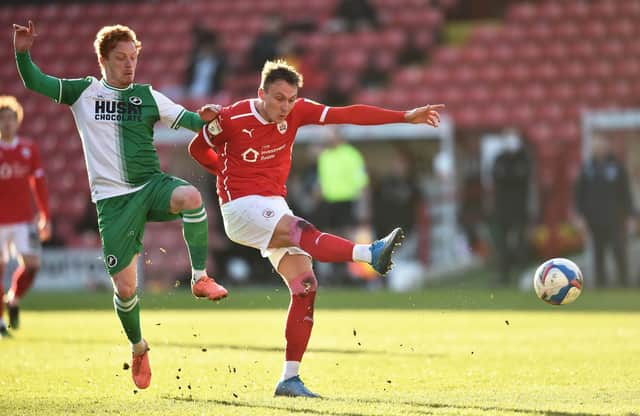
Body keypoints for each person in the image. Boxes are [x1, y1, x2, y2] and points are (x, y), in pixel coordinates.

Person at [188, 59, 443, 397]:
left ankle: (289, 379)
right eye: (278, 98)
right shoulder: (232, 117)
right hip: (241, 208)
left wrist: (403, 115)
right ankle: (370, 253)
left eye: (291, 99)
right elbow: (196, 147)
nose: (285, 106)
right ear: (261, 92)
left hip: (273, 205)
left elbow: (347, 114)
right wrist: (222, 170)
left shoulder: (298, 112)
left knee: (306, 286)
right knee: (300, 230)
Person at [13, 21, 227, 389]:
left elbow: (191, 121)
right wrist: (22, 53)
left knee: (191, 197)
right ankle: (139, 345)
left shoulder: (148, 96)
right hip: (113, 202)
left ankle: (199, 277)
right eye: (121, 58)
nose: (130, 65)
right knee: (126, 290)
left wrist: (207, 121)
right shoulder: (83, 92)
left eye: (134, 58)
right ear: (103, 59)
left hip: (151, 185)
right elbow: (35, 82)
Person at [0, 95, 50, 338]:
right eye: (2, 119)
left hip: (22, 220)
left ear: (17, 121)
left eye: (11, 119)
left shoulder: (29, 149)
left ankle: (14, 298)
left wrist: (44, 215)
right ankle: (0, 322)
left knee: (32, 266)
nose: (7, 123)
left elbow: (38, 184)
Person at [574, 136, 634, 287]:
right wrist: (580, 215)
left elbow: (625, 193)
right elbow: (579, 194)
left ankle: (624, 282)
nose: (599, 150)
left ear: (607, 149)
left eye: (601, 147)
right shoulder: (587, 168)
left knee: (618, 250)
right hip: (594, 219)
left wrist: (631, 214)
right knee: (598, 253)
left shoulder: (617, 167)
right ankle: (601, 283)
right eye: (596, 148)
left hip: (615, 218)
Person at [316, 127, 370, 284]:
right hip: (329, 203)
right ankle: (330, 274)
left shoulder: (352, 155)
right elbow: (322, 182)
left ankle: (356, 274)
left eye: (331, 135)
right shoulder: (324, 156)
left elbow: (362, 183)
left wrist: (364, 207)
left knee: (350, 238)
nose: (328, 139)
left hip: (347, 201)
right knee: (327, 237)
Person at [491, 130, 532, 286]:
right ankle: (503, 275)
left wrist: (508, 176)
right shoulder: (499, 158)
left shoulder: (524, 158)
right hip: (502, 209)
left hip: (519, 208)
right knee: (502, 244)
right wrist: (512, 176)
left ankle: (523, 276)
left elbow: (521, 176)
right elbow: (497, 176)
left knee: (521, 242)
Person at [184, 28, 227, 98]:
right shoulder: (195, 61)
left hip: (212, 92)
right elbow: (188, 77)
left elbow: (222, 80)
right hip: (193, 90)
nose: (206, 50)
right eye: (204, 48)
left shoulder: (220, 62)